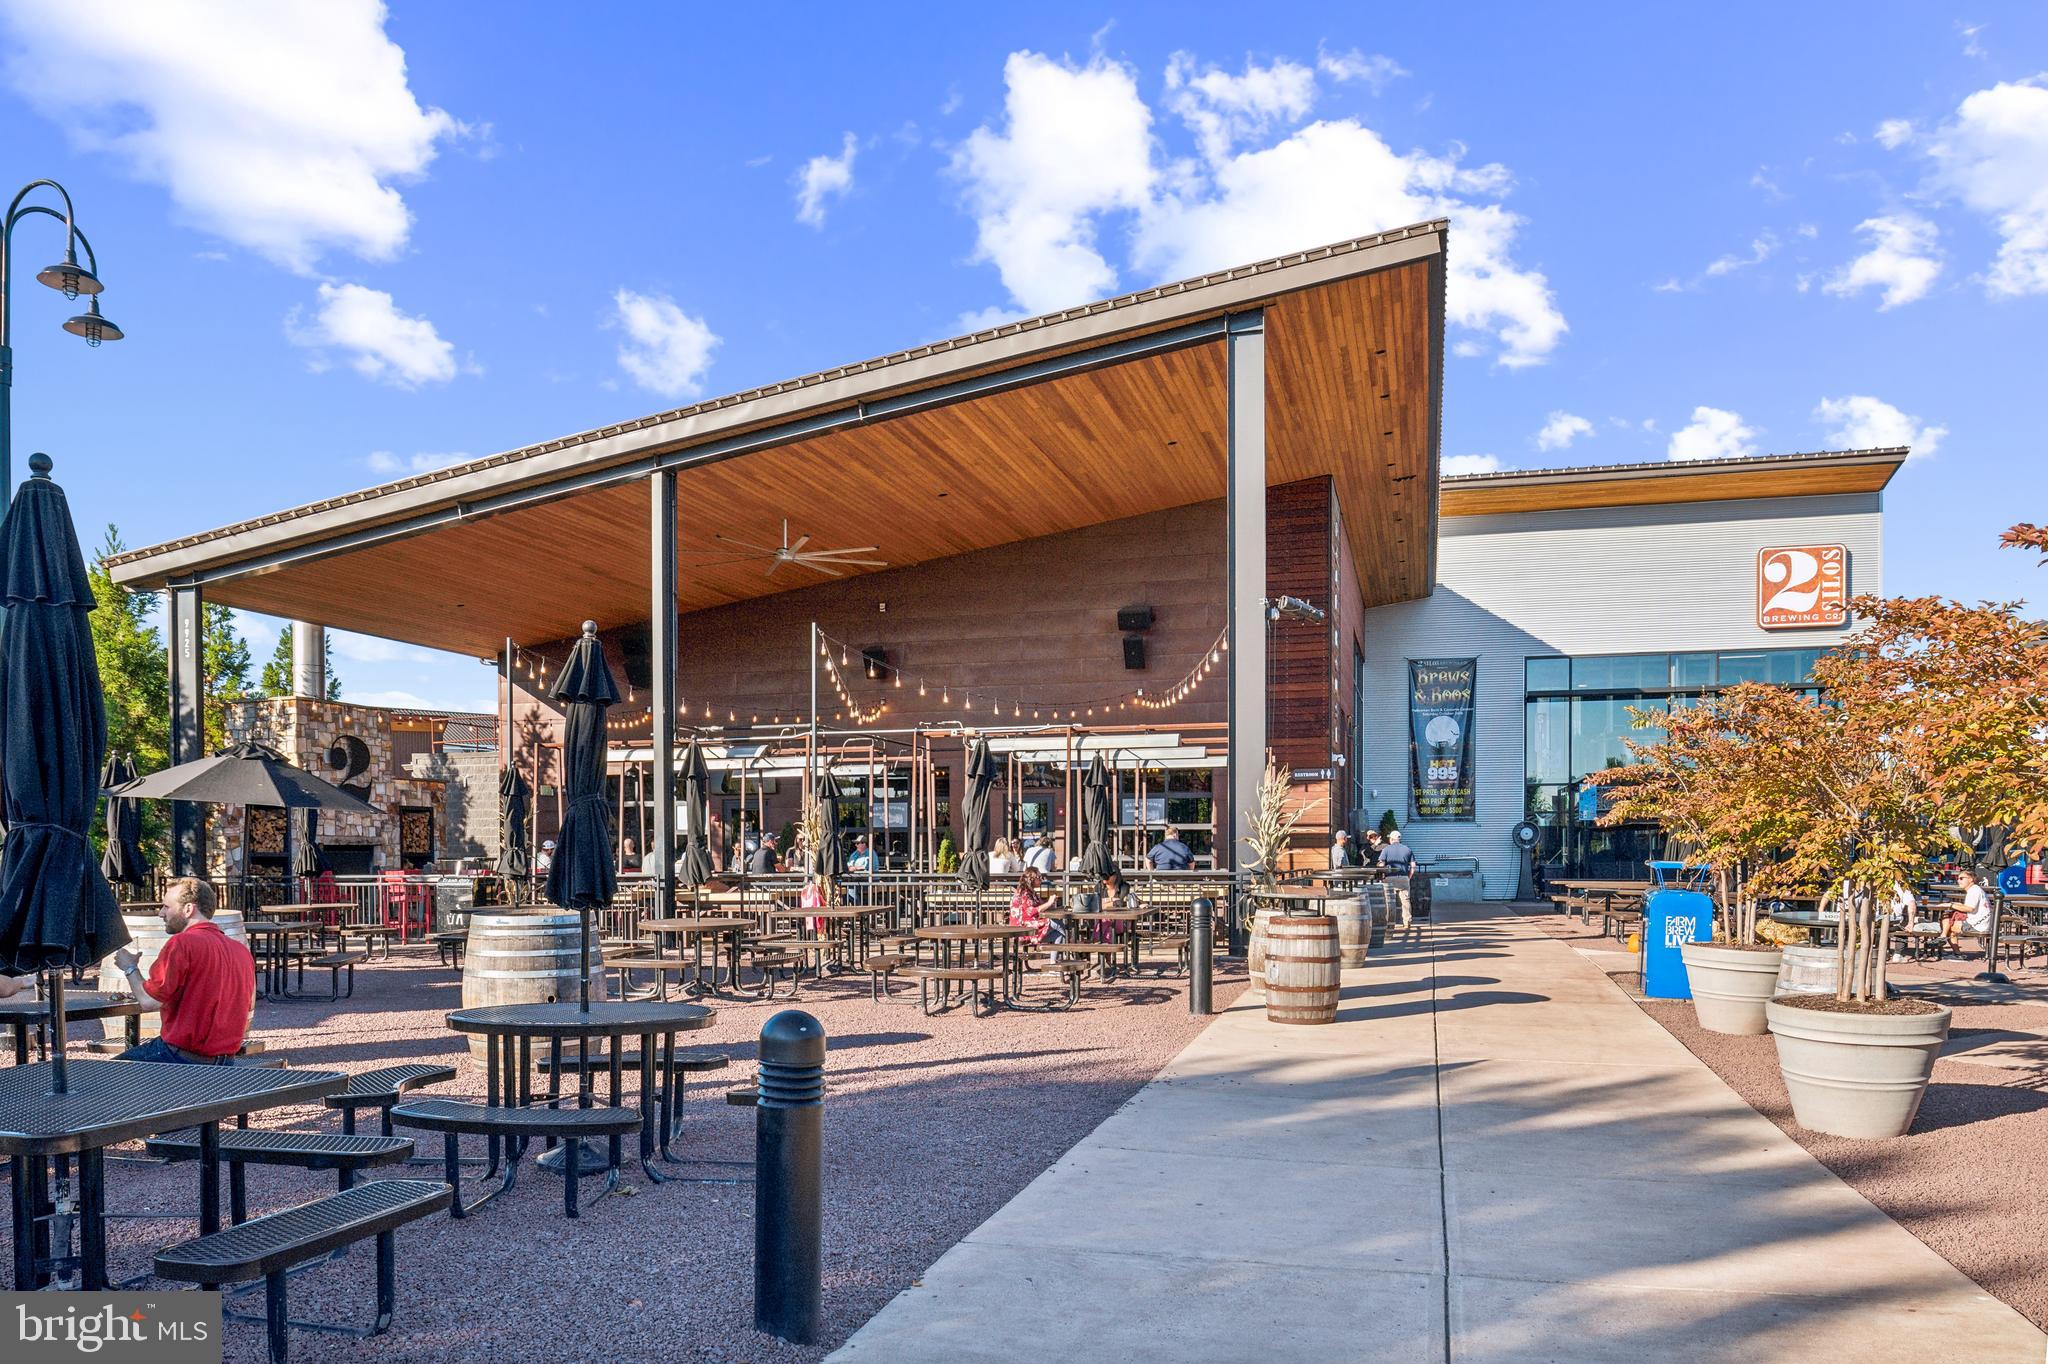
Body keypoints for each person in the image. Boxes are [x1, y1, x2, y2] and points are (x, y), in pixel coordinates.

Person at [110, 879, 256, 1064]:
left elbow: (149, 1002)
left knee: (101, 1078)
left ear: (188, 909)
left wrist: (129, 967)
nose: (161, 913)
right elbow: (249, 1003)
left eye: (166, 906)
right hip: (226, 1061)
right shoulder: (240, 950)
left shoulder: (182, 943)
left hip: (181, 1058)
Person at [1010, 868, 1066, 945]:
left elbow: (1040, 905)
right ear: (1031, 879)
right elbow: (1031, 912)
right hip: (1022, 929)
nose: (1041, 880)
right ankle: (1072, 945)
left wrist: (1051, 903)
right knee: (1056, 923)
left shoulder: (1031, 892)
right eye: (1039, 877)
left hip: (1030, 924)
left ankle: (1056, 956)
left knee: (1058, 935)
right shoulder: (1024, 893)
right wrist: (1049, 903)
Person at [1942, 870, 1993, 951]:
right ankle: (1944, 937)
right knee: (1948, 919)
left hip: (1978, 925)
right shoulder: (1975, 889)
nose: (1958, 881)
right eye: (1957, 878)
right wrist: (1953, 904)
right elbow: (1969, 907)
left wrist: (1950, 905)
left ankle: (1944, 939)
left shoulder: (1974, 891)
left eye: (1961, 878)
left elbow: (1969, 908)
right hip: (1982, 923)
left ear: (1971, 879)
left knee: (1947, 924)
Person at [1379, 830, 1417, 925]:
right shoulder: (1407, 849)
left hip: (1389, 878)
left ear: (1391, 839)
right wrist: (1409, 877)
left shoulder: (1386, 850)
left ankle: (1390, 921)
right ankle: (1407, 921)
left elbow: (1381, 865)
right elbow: (1413, 866)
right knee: (1405, 900)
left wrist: (1382, 876)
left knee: (1389, 901)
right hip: (1403, 878)